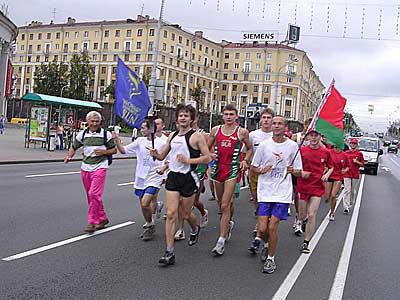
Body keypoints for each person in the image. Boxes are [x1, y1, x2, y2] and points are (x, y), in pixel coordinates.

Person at [149, 104, 211, 266]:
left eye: (186, 115)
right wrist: (156, 155)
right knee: (171, 214)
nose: (183, 118)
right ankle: (169, 252)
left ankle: (195, 228)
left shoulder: (196, 137)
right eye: (181, 115)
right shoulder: (173, 136)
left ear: (192, 119)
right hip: (173, 177)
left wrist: (188, 160)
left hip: (189, 178)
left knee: (185, 213)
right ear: (177, 118)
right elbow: (163, 155)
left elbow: (207, 158)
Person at [249, 115, 303, 274]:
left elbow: (299, 171)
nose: (277, 126)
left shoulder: (293, 147)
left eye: (280, 123)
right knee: (263, 228)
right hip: (265, 191)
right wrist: (260, 170)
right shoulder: (264, 145)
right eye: (274, 123)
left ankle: (271, 259)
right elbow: (253, 167)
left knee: (272, 227)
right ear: (271, 126)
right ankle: (266, 244)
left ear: (285, 127)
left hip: (282, 193)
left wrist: (294, 171)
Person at [208, 104, 252, 256]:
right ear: (222, 116)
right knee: (222, 204)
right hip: (218, 168)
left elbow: (249, 148)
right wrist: (210, 155)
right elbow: (207, 148)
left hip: (232, 169)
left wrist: (245, 160)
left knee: (226, 204)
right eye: (226, 114)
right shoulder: (215, 130)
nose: (228, 117)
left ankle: (221, 240)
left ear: (236, 116)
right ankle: (229, 222)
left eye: (231, 114)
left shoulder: (242, 132)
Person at [113, 120, 167, 240]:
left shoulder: (162, 143)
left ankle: (150, 223)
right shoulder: (139, 141)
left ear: (150, 129)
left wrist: (163, 169)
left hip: (155, 177)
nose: (141, 130)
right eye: (141, 128)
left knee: (145, 202)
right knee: (143, 206)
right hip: (141, 177)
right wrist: (116, 140)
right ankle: (149, 223)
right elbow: (123, 151)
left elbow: (168, 159)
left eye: (143, 128)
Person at [64, 111, 117, 233]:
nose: (94, 124)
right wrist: (69, 156)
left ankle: (92, 222)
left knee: (94, 194)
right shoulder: (82, 134)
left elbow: (114, 150)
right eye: (92, 121)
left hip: (100, 166)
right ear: (87, 122)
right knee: (91, 195)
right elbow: (74, 146)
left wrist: (104, 152)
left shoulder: (105, 134)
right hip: (86, 167)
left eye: (97, 121)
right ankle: (102, 218)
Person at [297, 130, 334, 254]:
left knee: (312, 214)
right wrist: (301, 173)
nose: (313, 138)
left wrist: (327, 174)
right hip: (303, 185)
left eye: (316, 135)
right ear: (308, 137)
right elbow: (295, 167)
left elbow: (331, 166)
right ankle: (304, 220)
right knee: (302, 215)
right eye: (311, 135)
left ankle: (306, 242)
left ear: (320, 137)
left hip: (317, 186)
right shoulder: (302, 151)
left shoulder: (326, 152)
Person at [174, 115, 209, 241]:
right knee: (179, 201)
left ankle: (203, 212)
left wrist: (204, 171)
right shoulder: (178, 134)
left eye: (189, 116)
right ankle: (181, 229)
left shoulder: (202, 135)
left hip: (197, 170)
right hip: (181, 170)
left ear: (195, 119)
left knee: (193, 202)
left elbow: (208, 155)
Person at [291, 118, 312, 235]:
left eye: (312, 126)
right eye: (308, 125)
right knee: (297, 195)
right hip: (297, 170)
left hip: (308, 171)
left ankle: (302, 216)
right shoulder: (296, 137)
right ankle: (298, 218)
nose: (309, 128)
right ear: (304, 125)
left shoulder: (315, 140)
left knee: (307, 197)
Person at [326, 145, 349, 221]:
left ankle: (332, 213)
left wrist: (345, 170)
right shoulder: (329, 152)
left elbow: (347, 166)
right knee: (327, 196)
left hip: (338, 177)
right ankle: (328, 199)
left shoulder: (344, 155)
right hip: (329, 175)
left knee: (333, 195)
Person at [343, 138, 364, 214]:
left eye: (354, 144)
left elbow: (362, 164)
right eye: (352, 143)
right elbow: (343, 162)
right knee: (347, 190)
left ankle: (351, 202)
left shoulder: (359, 154)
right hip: (347, 174)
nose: (353, 145)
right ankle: (346, 207)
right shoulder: (346, 153)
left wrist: (357, 162)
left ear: (356, 145)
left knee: (352, 191)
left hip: (355, 174)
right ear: (350, 144)